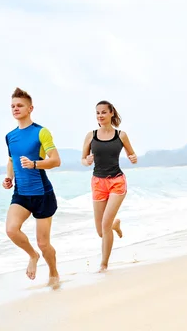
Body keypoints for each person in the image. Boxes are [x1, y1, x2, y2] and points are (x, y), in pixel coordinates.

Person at [2, 87, 61, 287]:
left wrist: (35, 164)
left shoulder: (41, 132)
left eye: (19, 106)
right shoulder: (10, 136)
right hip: (21, 193)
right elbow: (12, 160)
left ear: (30, 108)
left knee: (44, 243)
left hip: (42, 193)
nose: (15, 109)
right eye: (12, 106)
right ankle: (32, 255)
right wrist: (8, 177)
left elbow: (55, 160)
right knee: (11, 230)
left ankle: (53, 273)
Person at [81, 100, 137, 272]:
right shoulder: (91, 135)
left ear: (111, 113)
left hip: (117, 182)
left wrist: (133, 158)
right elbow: (83, 159)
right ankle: (115, 224)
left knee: (105, 225)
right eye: (98, 113)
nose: (100, 116)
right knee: (101, 231)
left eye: (104, 112)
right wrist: (87, 160)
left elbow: (131, 153)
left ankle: (104, 265)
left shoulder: (121, 135)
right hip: (98, 182)